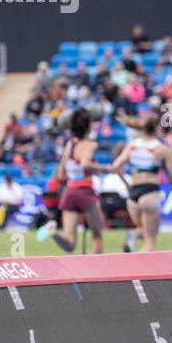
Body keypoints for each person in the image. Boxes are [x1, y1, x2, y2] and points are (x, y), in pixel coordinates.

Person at [38, 109, 109, 254]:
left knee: (70, 244)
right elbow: (85, 163)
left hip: (69, 192)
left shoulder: (69, 145)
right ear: (88, 126)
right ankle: (100, 271)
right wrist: (103, 168)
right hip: (85, 191)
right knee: (97, 235)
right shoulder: (90, 144)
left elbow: (60, 174)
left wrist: (73, 172)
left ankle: (53, 232)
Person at [108, 113, 172, 253]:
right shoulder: (162, 148)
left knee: (143, 229)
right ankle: (140, 272)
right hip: (150, 192)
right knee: (150, 240)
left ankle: (133, 235)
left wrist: (126, 184)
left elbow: (115, 167)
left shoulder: (132, 145)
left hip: (133, 194)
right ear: (157, 128)